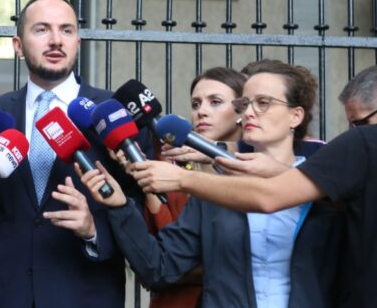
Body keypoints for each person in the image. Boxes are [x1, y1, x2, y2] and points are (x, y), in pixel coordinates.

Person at [81, 59, 344, 308]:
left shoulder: (326, 187)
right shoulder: (213, 190)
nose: (249, 112)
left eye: (263, 102)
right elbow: (159, 269)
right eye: (244, 104)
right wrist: (119, 206)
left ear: (295, 116)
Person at [0, 0, 146, 308]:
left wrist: (94, 229)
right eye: (41, 29)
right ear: (18, 45)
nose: (56, 40)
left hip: (85, 292)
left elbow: (140, 206)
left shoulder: (112, 113)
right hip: (4, 293)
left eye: (66, 30)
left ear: (78, 43)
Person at [139, 67, 246, 308]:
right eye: (196, 104)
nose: (202, 112)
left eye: (215, 102)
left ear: (241, 112)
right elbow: (159, 255)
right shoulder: (174, 166)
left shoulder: (258, 167)